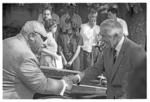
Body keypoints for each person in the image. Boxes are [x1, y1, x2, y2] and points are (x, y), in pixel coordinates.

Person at [70, 19, 146, 99]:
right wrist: (77, 77)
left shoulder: (136, 51)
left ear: (116, 36)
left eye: (104, 36)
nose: (101, 39)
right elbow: (96, 69)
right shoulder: (107, 49)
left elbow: (142, 86)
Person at [3, 21, 73, 99]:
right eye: (43, 38)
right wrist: (63, 84)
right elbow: (42, 85)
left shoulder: (6, 41)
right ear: (32, 36)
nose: (45, 43)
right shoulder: (25, 56)